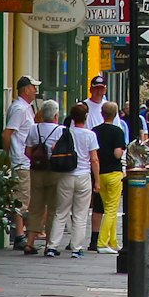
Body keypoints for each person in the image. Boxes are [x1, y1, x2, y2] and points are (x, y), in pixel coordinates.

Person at [54, 102, 101, 259]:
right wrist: (97, 181)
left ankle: (53, 245)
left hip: (66, 175)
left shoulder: (64, 132)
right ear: (85, 117)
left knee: (61, 212)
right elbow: (94, 159)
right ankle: (76, 248)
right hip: (83, 175)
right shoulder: (90, 135)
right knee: (80, 214)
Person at [24, 100, 70, 258]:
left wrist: (37, 159)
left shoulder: (33, 129)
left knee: (35, 207)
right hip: (54, 172)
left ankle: (29, 243)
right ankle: (49, 244)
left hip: (36, 171)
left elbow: (28, 152)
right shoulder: (61, 130)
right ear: (56, 115)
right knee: (53, 209)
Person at [3, 77, 38, 253]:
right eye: (33, 87)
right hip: (21, 160)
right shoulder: (20, 109)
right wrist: (8, 156)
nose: (35, 90)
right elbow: (8, 133)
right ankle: (19, 234)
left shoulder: (26, 108)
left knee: (24, 197)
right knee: (21, 198)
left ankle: (21, 232)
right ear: (25, 90)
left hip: (25, 160)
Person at [94, 102, 129, 255]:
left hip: (100, 172)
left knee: (108, 207)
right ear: (115, 114)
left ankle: (112, 241)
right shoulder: (117, 131)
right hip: (114, 172)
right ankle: (102, 242)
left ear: (102, 113)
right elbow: (117, 154)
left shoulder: (95, 131)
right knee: (111, 209)